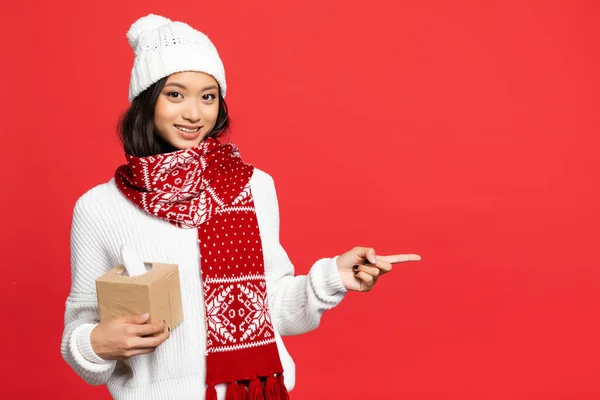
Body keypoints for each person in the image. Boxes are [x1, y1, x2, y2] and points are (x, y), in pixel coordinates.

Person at [60, 14, 421, 400]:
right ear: (147, 100)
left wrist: (332, 277)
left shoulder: (252, 187)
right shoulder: (99, 208)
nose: (194, 114)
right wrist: (96, 343)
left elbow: (273, 309)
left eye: (208, 96)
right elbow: (80, 336)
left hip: (255, 391)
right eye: (175, 94)